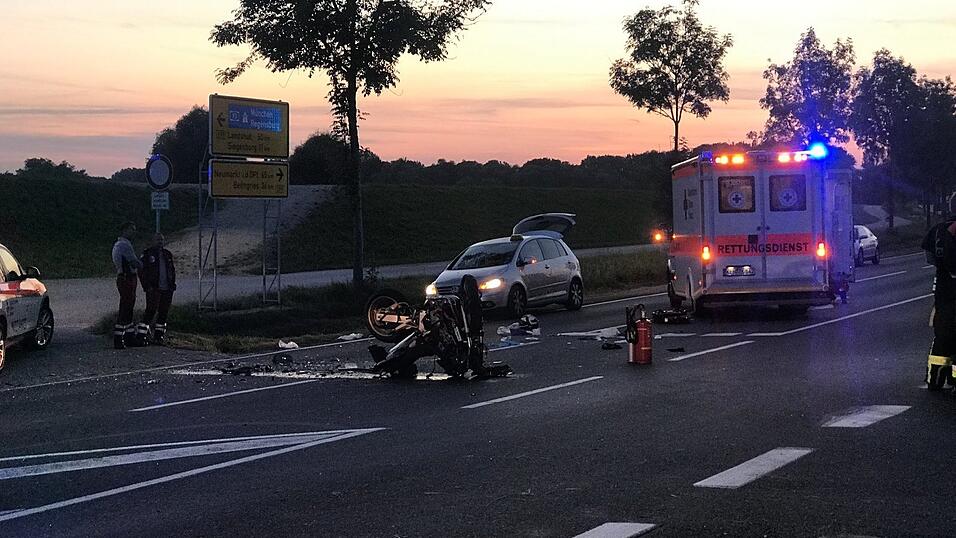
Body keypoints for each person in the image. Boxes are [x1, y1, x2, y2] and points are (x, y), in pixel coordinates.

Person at [923, 192, 956, 390]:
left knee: (943, 337)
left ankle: (935, 380)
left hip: (944, 294)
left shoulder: (937, 231)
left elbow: (930, 258)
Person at [139, 233, 177, 345]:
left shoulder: (167, 254)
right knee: (150, 311)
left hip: (167, 288)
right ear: (152, 241)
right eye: (158, 240)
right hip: (154, 288)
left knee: (163, 312)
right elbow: (142, 272)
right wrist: (147, 286)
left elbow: (172, 270)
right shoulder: (147, 254)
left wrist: (172, 285)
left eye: (162, 240)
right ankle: (141, 335)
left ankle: (159, 336)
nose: (160, 242)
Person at [112, 222, 143, 349]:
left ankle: (129, 336)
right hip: (127, 277)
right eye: (132, 229)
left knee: (128, 307)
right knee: (126, 307)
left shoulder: (118, 245)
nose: (134, 232)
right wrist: (142, 264)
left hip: (124, 277)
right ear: (125, 230)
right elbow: (134, 262)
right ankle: (119, 338)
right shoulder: (125, 245)